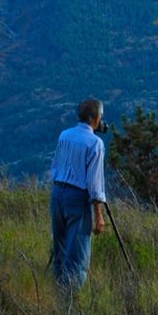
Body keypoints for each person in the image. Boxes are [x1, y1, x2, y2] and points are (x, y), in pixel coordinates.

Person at [50, 98, 107, 289]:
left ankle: (54, 296)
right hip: (77, 198)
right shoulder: (95, 143)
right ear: (97, 118)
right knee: (77, 259)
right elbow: (94, 183)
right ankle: (69, 305)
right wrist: (99, 216)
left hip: (57, 193)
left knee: (61, 251)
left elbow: (56, 166)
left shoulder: (64, 135)